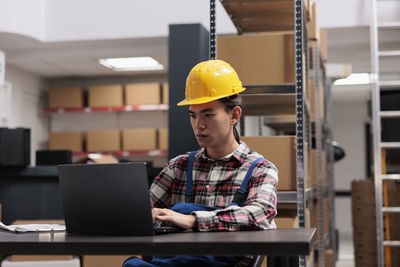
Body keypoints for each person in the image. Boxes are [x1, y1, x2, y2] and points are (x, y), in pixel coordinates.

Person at [123, 60, 278, 267]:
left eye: (208, 114)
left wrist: (194, 220)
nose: (199, 125)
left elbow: (260, 214)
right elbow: (141, 212)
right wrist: (142, 215)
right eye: (193, 116)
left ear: (234, 115)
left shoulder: (260, 169)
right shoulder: (178, 167)